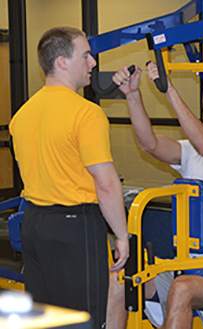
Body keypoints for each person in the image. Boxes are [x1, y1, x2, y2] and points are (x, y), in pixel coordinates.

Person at [107, 63, 203, 329]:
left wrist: (169, 91)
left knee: (182, 288)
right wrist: (132, 94)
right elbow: (149, 144)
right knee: (121, 278)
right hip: (186, 266)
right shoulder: (192, 152)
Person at [9, 27, 129, 329]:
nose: (93, 63)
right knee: (83, 321)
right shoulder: (86, 114)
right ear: (62, 62)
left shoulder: (21, 116)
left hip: (34, 225)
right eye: (86, 56)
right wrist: (122, 236)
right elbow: (106, 184)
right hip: (75, 229)